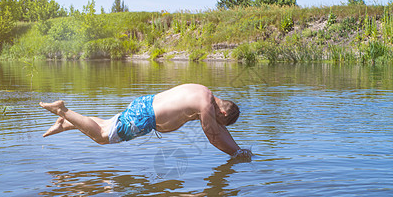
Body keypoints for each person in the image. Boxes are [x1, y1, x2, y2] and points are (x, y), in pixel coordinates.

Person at [39, 83, 252, 158]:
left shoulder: (203, 91)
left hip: (144, 104)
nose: (216, 122)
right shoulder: (205, 107)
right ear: (223, 114)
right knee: (103, 136)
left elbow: (218, 130)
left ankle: (66, 123)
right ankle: (63, 111)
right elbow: (214, 136)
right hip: (145, 117)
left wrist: (238, 149)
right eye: (220, 120)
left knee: (106, 124)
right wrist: (236, 154)